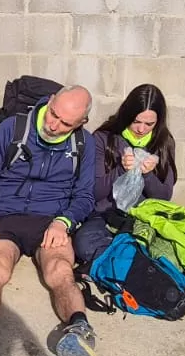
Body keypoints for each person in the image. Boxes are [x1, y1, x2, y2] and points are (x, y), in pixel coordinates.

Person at [0, 86, 100, 356]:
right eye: (53, 114)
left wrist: (65, 221)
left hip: (50, 220)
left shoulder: (84, 143)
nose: (54, 125)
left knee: (60, 270)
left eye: (65, 124)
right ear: (49, 101)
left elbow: (85, 195)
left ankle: (80, 329)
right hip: (5, 214)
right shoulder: (13, 129)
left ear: (81, 123)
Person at [74, 84, 178, 264]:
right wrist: (121, 170)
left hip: (142, 217)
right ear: (127, 115)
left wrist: (148, 175)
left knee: (166, 248)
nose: (141, 129)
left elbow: (164, 197)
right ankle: (129, 262)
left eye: (149, 124)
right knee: (83, 243)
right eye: (136, 121)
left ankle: (122, 261)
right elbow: (94, 192)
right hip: (104, 214)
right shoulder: (104, 138)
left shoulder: (163, 142)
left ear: (158, 122)